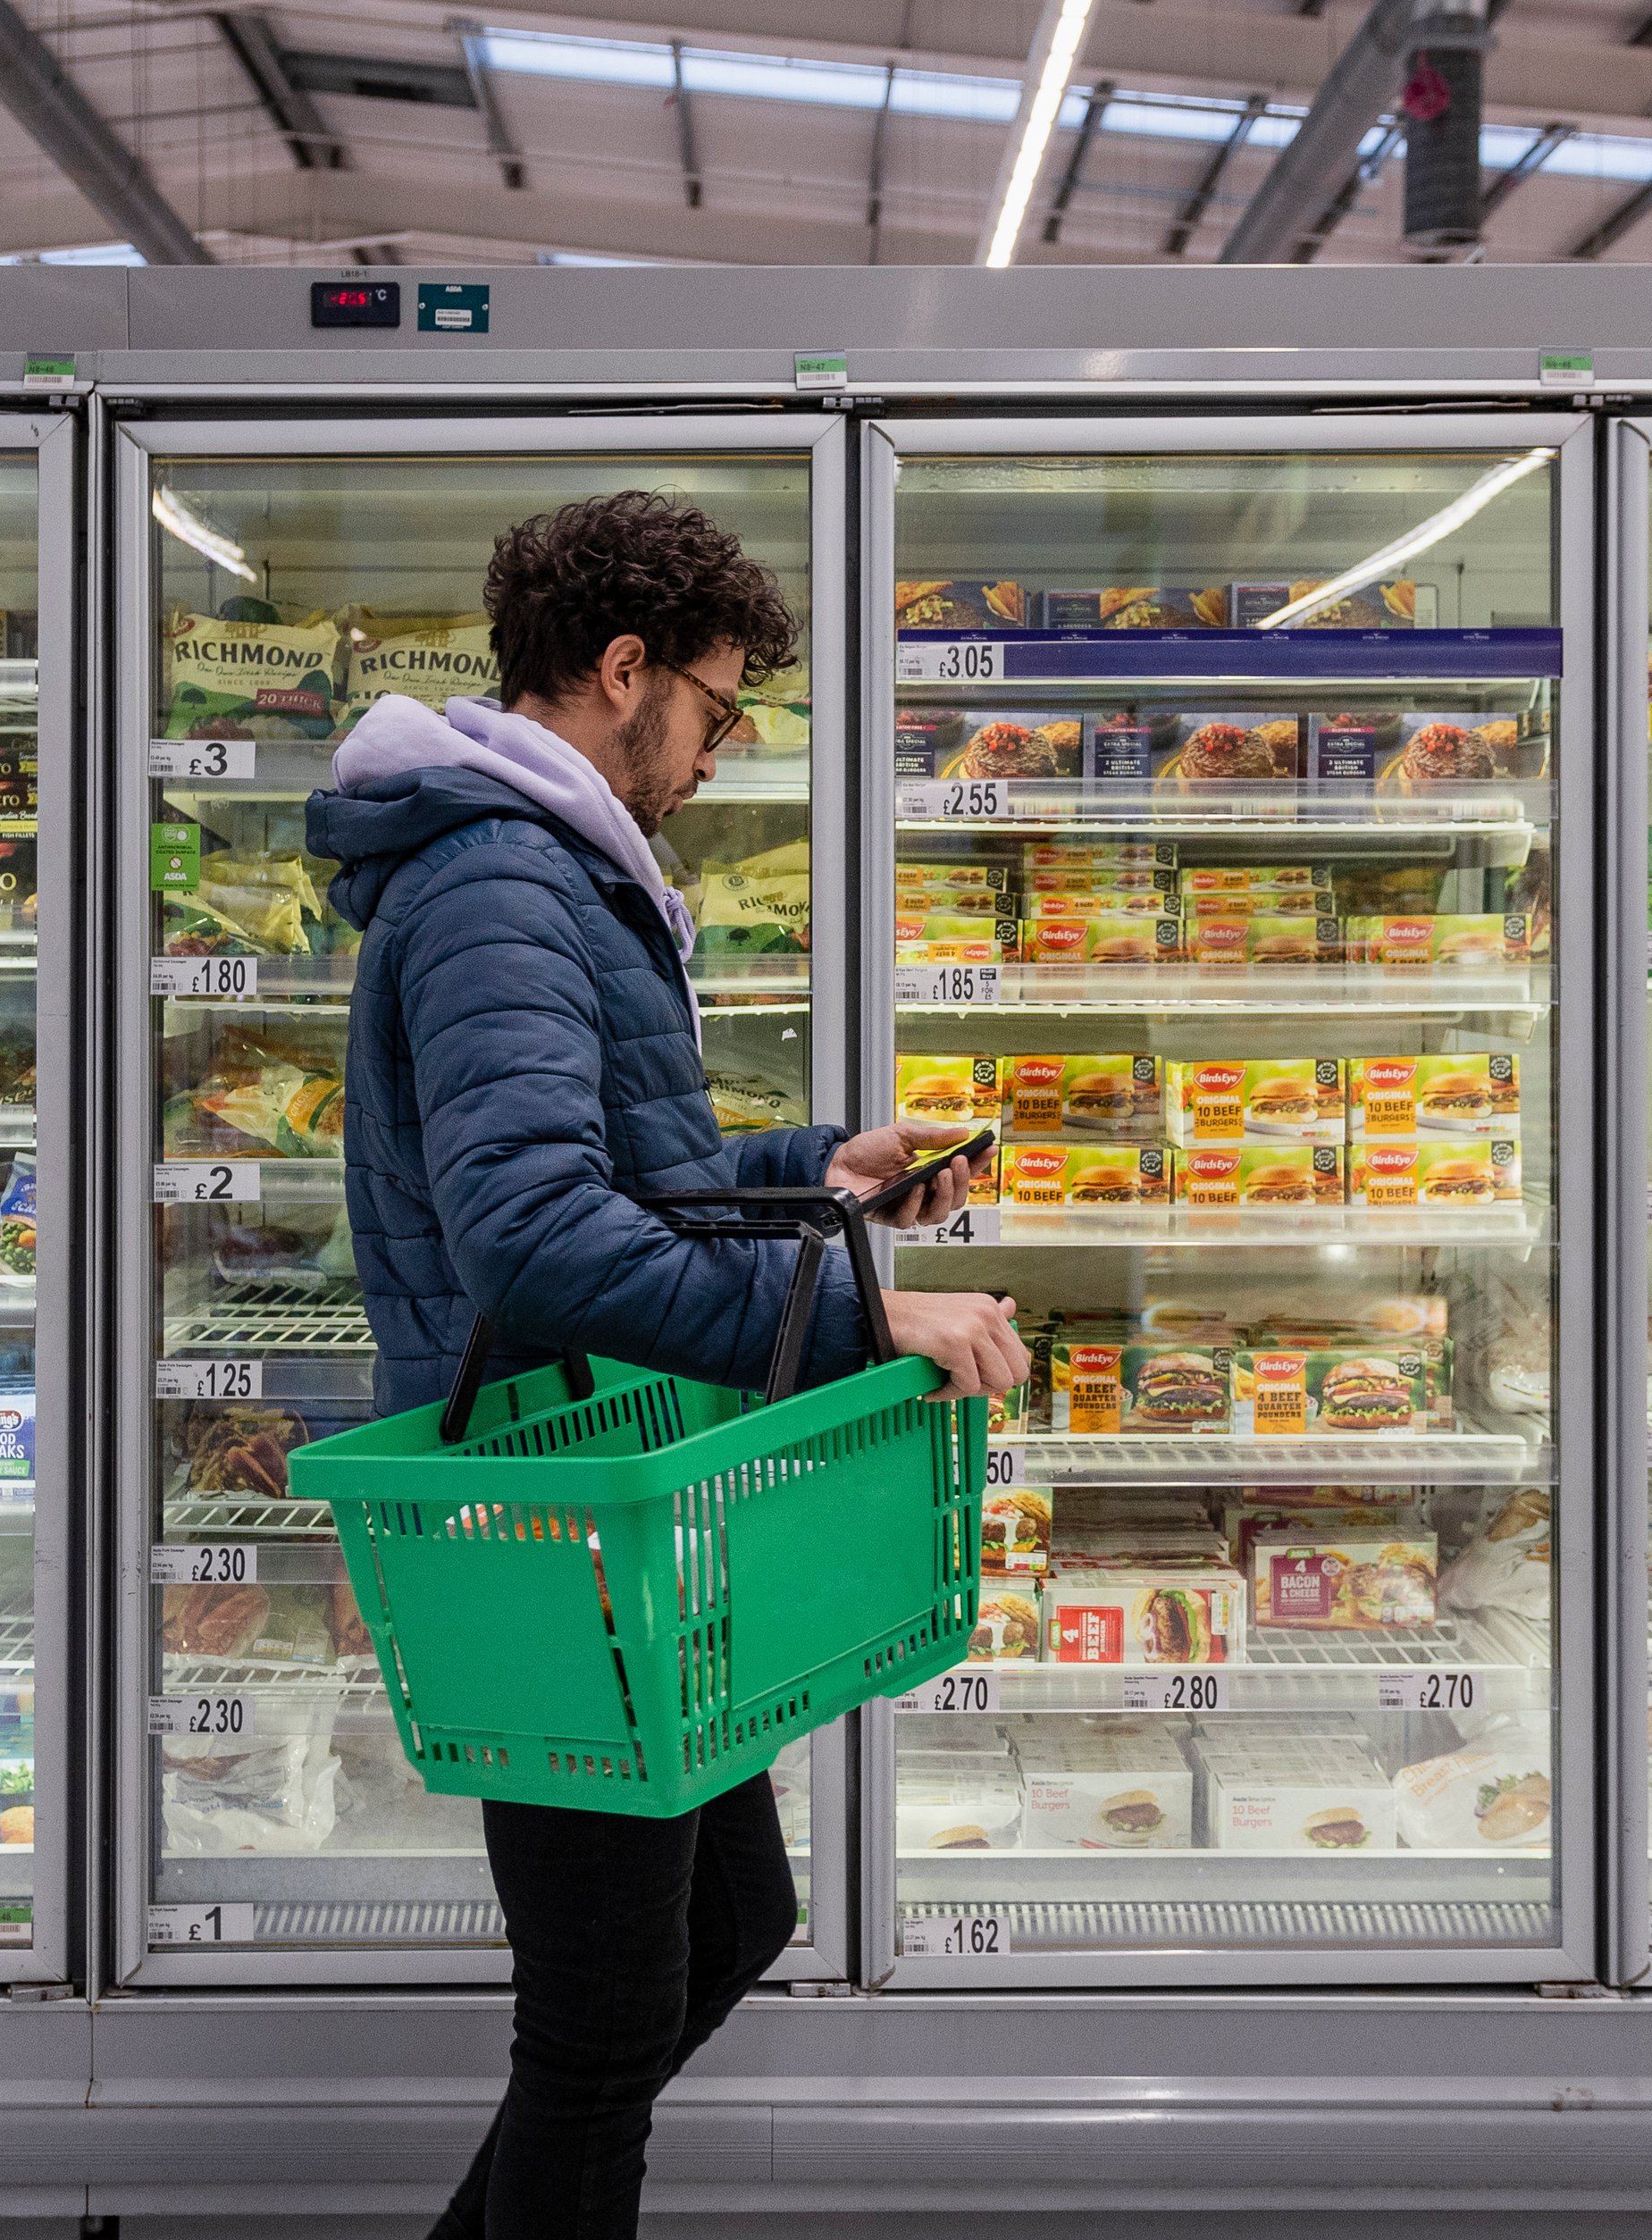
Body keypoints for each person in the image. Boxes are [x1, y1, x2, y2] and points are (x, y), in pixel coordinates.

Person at [306, 489, 1027, 2239]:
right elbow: (538, 1236)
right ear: (623, 669)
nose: (718, 747)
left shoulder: (552, 863)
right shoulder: (500, 878)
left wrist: (813, 1171)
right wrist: (868, 1312)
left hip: (616, 1486)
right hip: (548, 1511)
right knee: (599, 2029)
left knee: (724, 1931)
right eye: (715, 704)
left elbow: (615, 1172)